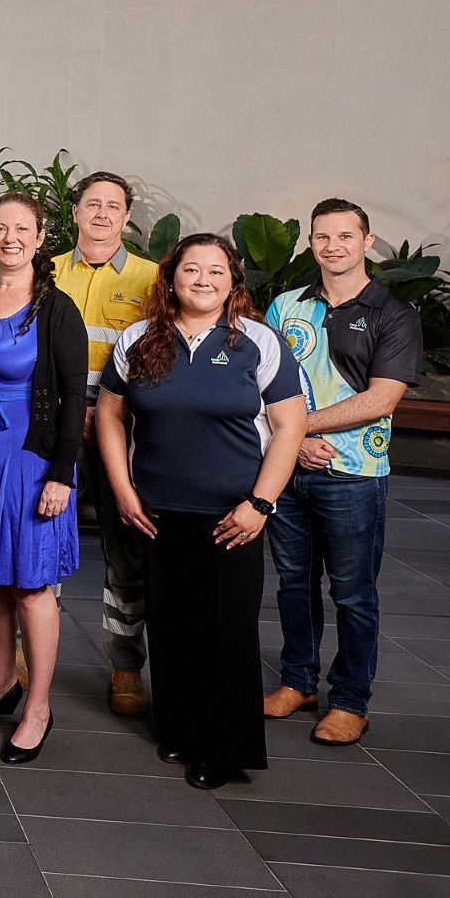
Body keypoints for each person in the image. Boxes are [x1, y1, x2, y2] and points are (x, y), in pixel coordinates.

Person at [97, 234, 307, 788]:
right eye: (192, 270)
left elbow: (290, 428)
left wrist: (260, 503)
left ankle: (225, 747)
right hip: (158, 510)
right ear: (171, 279)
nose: (204, 280)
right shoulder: (139, 340)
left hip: (232, 515)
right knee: (170, 624)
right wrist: (123, 489)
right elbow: (110, 417)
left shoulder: (258, 343)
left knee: (227, 630)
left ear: (234, 282)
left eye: (217, 271)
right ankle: (179, 730)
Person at [263, 199, 421, 746]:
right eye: (322, 237)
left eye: (345, 236)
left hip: (355, 472)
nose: (333, 246)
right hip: (287, 470)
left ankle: (351, 700)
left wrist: (299, 427)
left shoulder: (393, 314)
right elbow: (259, 384)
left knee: (353, 592)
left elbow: (382, 399)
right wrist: (295, 440)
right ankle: (298, 681)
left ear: (368, 241)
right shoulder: (286, 306)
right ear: (311, 244)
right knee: (293, 583)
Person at [0, 192, 87, 766]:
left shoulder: (56, 307)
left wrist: (62, 475)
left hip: (31, 457)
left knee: (31, 583)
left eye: (21, 228)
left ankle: (39, 706)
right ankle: (2, 682)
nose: (9, 238)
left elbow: (75, 399)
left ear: (40, 234)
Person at [53, 171, 160, 718]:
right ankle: (29, 656)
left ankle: (125, 667)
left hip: (123, 427)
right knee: (41, 538)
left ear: (125, 217)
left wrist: (115, 414)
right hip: (53, 428)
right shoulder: (43, 272)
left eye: (112, 207)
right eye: (91, 204)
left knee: (126, 551)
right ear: (75, 213)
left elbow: (161, 357)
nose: (100, 215)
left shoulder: (152, 278)